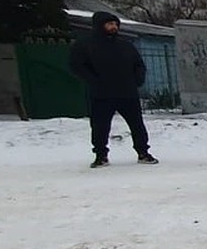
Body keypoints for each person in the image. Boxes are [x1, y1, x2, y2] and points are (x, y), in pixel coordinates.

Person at [68, 11, 159, 168]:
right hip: (102, 93)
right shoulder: (85, 45)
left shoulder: (125, 46)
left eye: (116, 24)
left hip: (127, 92)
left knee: (137, 124)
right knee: (100, 125)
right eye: (109, 24)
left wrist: (137, 79)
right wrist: (93, 81)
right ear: (99, 25)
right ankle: (101, 155)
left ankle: (143, 152)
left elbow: (138, 65)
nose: (113, 27)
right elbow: (77, 66)